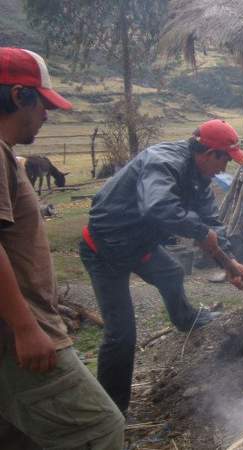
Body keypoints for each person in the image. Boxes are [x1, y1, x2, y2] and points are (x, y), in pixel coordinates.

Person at [80, 119, 243, 414]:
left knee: (171, 272)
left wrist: (229, 262)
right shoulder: (163, 162)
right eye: (224, 159)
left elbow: (211, 223)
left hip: (138, 246)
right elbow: (157, 207)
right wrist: (199, 232)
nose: (225, 169)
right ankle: (111, 414)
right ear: (208, 152)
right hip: (106, 248)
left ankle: (185, 319)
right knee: (121, 336)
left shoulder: (199, 178)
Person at [0, 47, 124, 449]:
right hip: (18, 332)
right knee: (100, 429)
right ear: (20, 96)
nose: (46, 116)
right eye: (43, 105)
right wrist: (25, 327)